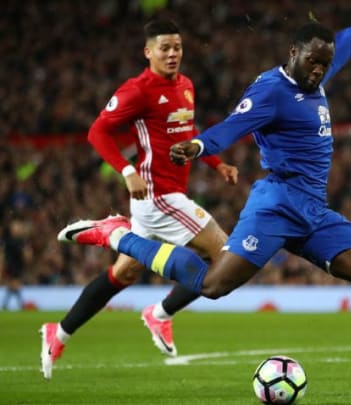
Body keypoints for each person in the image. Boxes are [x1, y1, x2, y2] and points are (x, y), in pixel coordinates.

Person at [57, 4, 351, 401]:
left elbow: (345, 44)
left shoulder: (318, 71)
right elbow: (232, 125)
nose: (320, 69)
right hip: (276, 206)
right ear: (293, 53)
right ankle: (118, 235)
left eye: (324, 63)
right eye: (313, 61)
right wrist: (201, 145)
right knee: (212, 284)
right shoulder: (270, 90)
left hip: (314, 210)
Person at [41, 19, 239, 380]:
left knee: (125, 272)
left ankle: (61, 331)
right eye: (164, 47)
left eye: (177, 47)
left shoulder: (186, 86)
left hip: (166, 195)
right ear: (148, 52)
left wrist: (216, 163)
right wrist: (126, 170)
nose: (172, 53)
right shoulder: (138, 90)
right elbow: (97, 131)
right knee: (227, 255)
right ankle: (158, 310)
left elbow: (187, 131)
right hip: (157, 194)